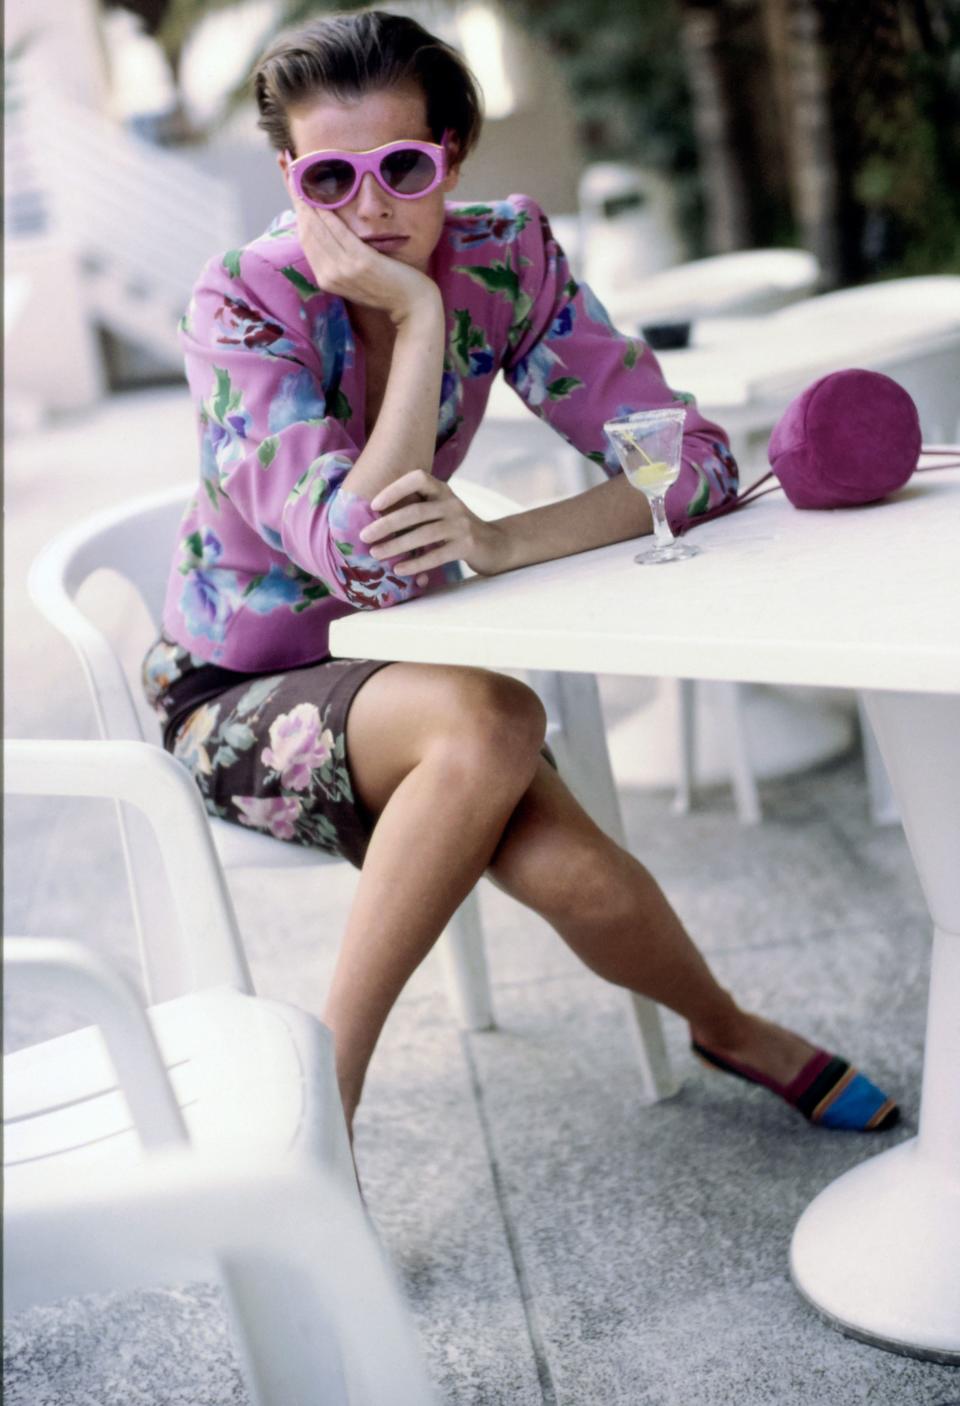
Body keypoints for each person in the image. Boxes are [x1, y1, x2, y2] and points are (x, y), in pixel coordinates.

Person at [143, 9, 897, 1146]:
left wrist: (504, 542)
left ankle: (724, 1026)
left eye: (404, 167)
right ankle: (329, 1099)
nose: (370, 209)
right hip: (241, 690)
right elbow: (352, 547)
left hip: (403, 672)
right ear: (290, 175)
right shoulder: (244, 301)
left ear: (452, 150)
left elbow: (690, 461)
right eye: (330, 178)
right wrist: (417, 307)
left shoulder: (507, 255)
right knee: (495, 713)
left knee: (570, 860)